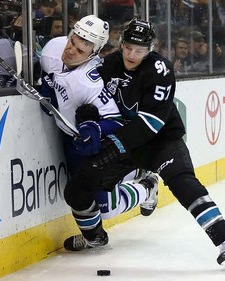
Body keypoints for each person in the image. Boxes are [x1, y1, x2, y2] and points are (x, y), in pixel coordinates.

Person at [62, 18, 225, 271]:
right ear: (121, 43)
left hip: (161, 140)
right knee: (77, 188)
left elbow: (150, 123)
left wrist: (115, 143)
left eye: (139, 50)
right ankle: (94, 237)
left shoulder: (160, 70)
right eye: (128, 47)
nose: (131, 54)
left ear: (150, 49)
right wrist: (88, 118)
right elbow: (95, 98)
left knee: (184, 184)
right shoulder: (109, 64)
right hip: (128, 140)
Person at [39, 15, 159, 221]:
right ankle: (94, 238)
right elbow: (46, 72)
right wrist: (46, 85)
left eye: (80, 50)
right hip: (69, 139)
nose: (70, 50)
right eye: (72, 41)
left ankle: (146, 189)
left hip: (92, 144)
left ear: (93, 53)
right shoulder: (53, 49)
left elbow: (115, 121)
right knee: (79, 195)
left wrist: (95, 130)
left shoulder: (90, 81)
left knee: (107, 209)